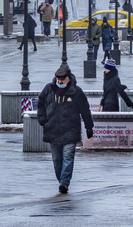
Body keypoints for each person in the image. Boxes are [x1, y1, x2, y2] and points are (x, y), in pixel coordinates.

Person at [37, 65, 94, 194]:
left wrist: (89, 126)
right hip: (52, 130)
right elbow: (40, 103)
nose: (60, 81)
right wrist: (42, 118)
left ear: (69, 78)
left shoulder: (77, 92)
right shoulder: (48, 89)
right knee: (57, 160)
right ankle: (62, 181)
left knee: (68, 157)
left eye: (62, 79)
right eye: (58, 79)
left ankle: (64, 183)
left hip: (70, 131)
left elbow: (85, 110)